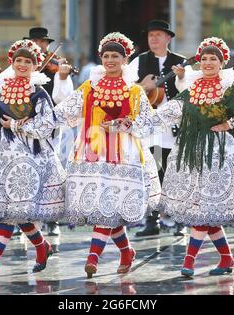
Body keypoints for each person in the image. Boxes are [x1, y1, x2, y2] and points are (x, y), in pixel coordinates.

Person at [124, 37, 234, 278]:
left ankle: (190, 261)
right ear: (199, 63)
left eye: (213, 59)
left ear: (222, 63)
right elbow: (162, 116)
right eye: (204, 59)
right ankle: (226, 257)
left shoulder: (231, 91)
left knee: (205, 212)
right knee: (205, 212)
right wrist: (131, 123)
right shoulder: (190, 92)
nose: (208, 62)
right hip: (193, 156)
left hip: (222, 158)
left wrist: (231, 122)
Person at [54, 32, 160, 278]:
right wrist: (30, 116)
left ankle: (93, 256)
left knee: (109, 204)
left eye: (115, 56)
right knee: (104, 205)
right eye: (106, 56)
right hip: (92, 151)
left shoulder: (134, 91)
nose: (110, 60)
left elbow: (147, 122)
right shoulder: (89, 87)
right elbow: (63, 111)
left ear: (125, 59)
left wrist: (125, 123)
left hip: (124, 153)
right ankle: (126, 252)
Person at [0, 39, 66, 278]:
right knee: (11, 211)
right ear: (12, 62)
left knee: (15, 210)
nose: (22, 64)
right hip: (0, 156)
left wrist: (18, 124)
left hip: (29, 157)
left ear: (34, 65)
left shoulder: (38, 93)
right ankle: (41, 247)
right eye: (18, 60)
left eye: (27, 61)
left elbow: (45, 126)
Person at [0, 27, 74, 236]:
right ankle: (23, 220)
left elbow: (63, 100)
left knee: (46, 176)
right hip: (15, 135)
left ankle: (51, 221)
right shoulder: (13, 70)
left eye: (43, 42)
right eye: (35, 41)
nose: (39, 45)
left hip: (44, 131)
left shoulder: (56, 68)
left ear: (47, 45)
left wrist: (64, 78)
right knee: (22, 176)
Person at [129, 20, 188, 237]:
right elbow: (129, 86)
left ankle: (179, 219)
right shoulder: (140, 60)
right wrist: (143, 87)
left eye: (158, 35)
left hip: (173, 126)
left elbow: (187, 90)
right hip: (150, 126)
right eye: (150, 35)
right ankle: (152, 221)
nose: (153, 39)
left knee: (176, 172)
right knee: (152, 172)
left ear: (168, 38)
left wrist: (181, 76)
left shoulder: (181, 61)